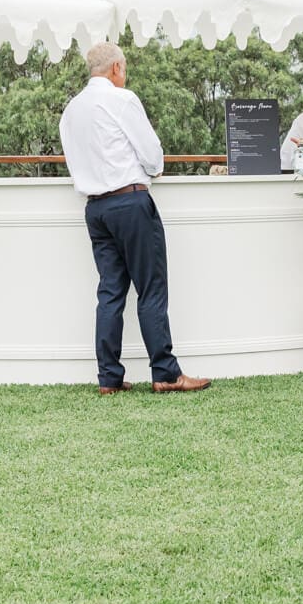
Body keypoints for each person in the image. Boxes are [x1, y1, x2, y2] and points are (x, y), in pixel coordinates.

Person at [58, 42, 210, 395]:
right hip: (130, 203)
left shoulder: (71, 110)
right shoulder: (122, 100)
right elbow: (154, 158)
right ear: (115, 69)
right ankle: (166, 373)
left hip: (95, 209)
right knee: (151, 289)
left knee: (110, 292)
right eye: (124, 68)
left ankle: (109, 378)